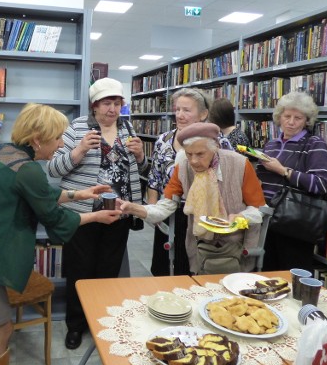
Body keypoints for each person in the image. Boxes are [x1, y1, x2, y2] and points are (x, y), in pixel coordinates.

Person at [0, 103, 121, 365]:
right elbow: (55, 217)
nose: (60, 144)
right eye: (57, 137)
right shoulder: (27, 168)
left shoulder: (5, 152)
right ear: (36, 140)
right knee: (0, 330)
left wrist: (81, 194)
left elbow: (39, 193)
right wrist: (95, 216)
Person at [47, 77, 148, 350]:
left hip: (118, 213)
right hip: (82, 215)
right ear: (95, 105)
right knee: (80, 271)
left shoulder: (128, 128)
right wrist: (79, 150)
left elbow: (141, 171)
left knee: (108, 270)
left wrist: (140, 158)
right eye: (107, 103)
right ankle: (75, 326)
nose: (112, 109)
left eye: (117, 103)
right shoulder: (77, 127)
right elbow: (54, 169)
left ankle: (99, 321)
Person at [120, 122, 266, 275]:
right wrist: (134, 208)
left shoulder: (240, 164)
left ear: (215, 147)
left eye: (200, 154)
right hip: (200, 245)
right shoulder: (183, 166)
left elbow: (259, 209)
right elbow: (166, 206)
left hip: (237, 245)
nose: (194, 161)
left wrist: (241, 217)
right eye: (189, 154)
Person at [256, 91, 327, 272]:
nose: (291, 122)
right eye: (287, 116)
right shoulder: (271, 144)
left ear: (307, 120)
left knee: (291, 275)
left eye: (298, 118)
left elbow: (320, 183)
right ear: (279, 117)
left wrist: (282, 170)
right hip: (266, 219)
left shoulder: (314, 144)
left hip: (294, 222)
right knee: (266, 274)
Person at [148, 88, 210, 277]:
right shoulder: (163, 140)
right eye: (177, 110)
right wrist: (153, 209)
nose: (180, 115)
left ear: (203, 114)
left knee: (190, 269)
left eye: (187, 110)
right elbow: (154, 177)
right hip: (167, 211)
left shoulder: (216, 141)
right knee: (162, 268)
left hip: (199, 215)